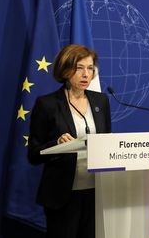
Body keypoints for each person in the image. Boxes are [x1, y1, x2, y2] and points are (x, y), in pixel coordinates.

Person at [28, 44, 111, 238]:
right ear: (65, 70)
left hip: (95, 193)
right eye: (79, 68)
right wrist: (57, 144)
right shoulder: (47, 104)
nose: (85, 74)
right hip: (62, 196)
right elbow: (33, 154)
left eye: (90, 68)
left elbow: (107, 144)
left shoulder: (101, 102)